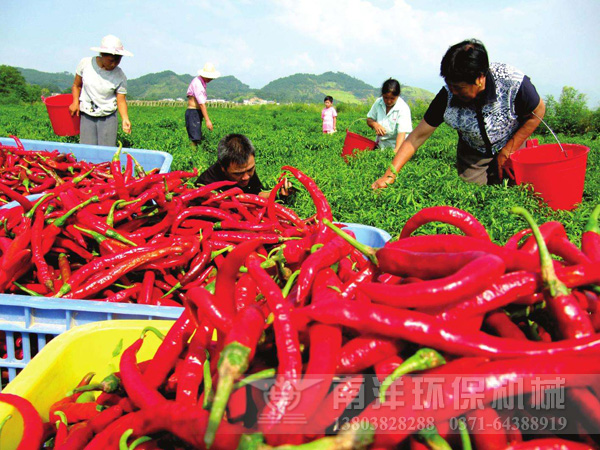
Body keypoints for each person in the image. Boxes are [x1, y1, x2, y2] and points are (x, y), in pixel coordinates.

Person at [372, 39, 546, 189]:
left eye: (459, 87)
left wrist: (509, 149)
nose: (453, 91)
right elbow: (416, 137)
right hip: (473, 151)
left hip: (512, 141)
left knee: (520, 187)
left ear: (480, 78)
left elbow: (538, 112)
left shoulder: (512, 82)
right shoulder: (447, 95)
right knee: (473, 196)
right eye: (450, 85)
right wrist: (389, 175)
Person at [69, 35, 133, 146]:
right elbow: (76, 85)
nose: (114, 64)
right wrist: (75, 102)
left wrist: (125, 118)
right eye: (111, 61)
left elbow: (121, 100)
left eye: (118, 60)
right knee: (87, 149)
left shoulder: (120, 76)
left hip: (108, 116)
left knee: (106, 151)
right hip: (87, 114)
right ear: (102, 55)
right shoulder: (86, 64)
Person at [197, 134, 292, 199]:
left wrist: (278, 192)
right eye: (238, 173)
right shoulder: (206, 184)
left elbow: (256, 194)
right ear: (223, 168)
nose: (246, 177)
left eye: (250, 169)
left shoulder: (246, 171)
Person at [366, 78, 413, 153]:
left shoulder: (403, 108)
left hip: (397, 147)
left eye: (392, 98)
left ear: (398, 95)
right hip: (380, 146)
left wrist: (396, 151)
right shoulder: (378, 102)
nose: (388, 101)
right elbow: (369, 119)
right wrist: (375, 125)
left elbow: (402, 133)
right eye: (385, 97)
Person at [186, 62, 220, 147]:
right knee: (195, 138)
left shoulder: (200, 82)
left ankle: (194, 154)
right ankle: (193, 156)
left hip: (195, 112)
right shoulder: (198, 84)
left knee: (196, 136)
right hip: (193, 112)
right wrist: (208, 120)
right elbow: (201, 104)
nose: (211, 79)